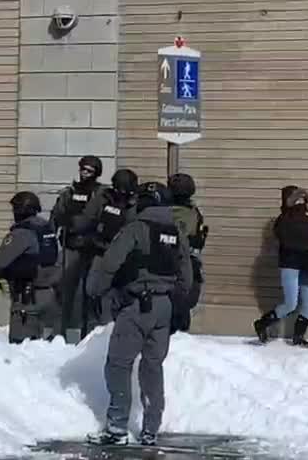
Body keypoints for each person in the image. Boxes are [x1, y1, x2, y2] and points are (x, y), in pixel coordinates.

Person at [85, 181, 193, 446]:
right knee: (153, 366)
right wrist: (177, 303)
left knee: (119, 365)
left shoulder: (135, 229)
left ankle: (117, 428)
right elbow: (186, 274)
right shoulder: (176, 231)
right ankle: (150, 429)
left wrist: (95, 291)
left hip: (136, 305)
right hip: (164, 307)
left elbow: (110, 263)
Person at [253, 185, 308, 347]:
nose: (300, 203)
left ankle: (298, 337)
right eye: (296, 199)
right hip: (290, 264)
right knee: (290, 303)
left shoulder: (306, 219)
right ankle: (262, 324)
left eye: (301, 199)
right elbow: (287, 241)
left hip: (306, 264)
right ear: (288, 200)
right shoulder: (282, 220)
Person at [0, 191, 60, 343]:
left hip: (27, 299)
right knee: (46, 351)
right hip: (50, 297)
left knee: (21, 350)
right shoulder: (46, 228)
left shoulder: (22, 233)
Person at [74, 168, 140, 331]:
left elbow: (84, 221)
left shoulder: (106, 198)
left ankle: (98, 332)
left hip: (109, 255)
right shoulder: (122, 200)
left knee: (97, 294)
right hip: (113, 255)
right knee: (102, 295)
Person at [50, 155, 106, 343]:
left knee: (88, 294)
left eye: (89, 171)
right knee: (63, 290)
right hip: (71, 247)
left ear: (96, 173)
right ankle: (60, 334)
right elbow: (55, 217)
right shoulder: (69, 193)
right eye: (82, 169)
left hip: (92, 250)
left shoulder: (101, 194)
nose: (84, 173)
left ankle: (87, 337)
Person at [168, 172, 210, 333]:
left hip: (177, 264)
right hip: (184, 263)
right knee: (182, 308)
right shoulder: (190, 212)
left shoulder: (168, 210)